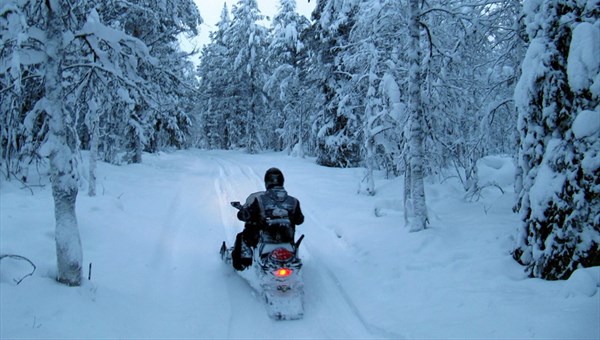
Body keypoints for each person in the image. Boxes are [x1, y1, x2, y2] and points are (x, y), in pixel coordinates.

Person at [232, 167, 304, 271]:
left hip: (265, 240)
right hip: (287, 240)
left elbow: (245, 215)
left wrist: (244, 214)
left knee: (241, 237)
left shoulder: (259, 199)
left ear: (267, 182)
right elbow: (299, 220)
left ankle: (242, 264)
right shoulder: (293, 201)